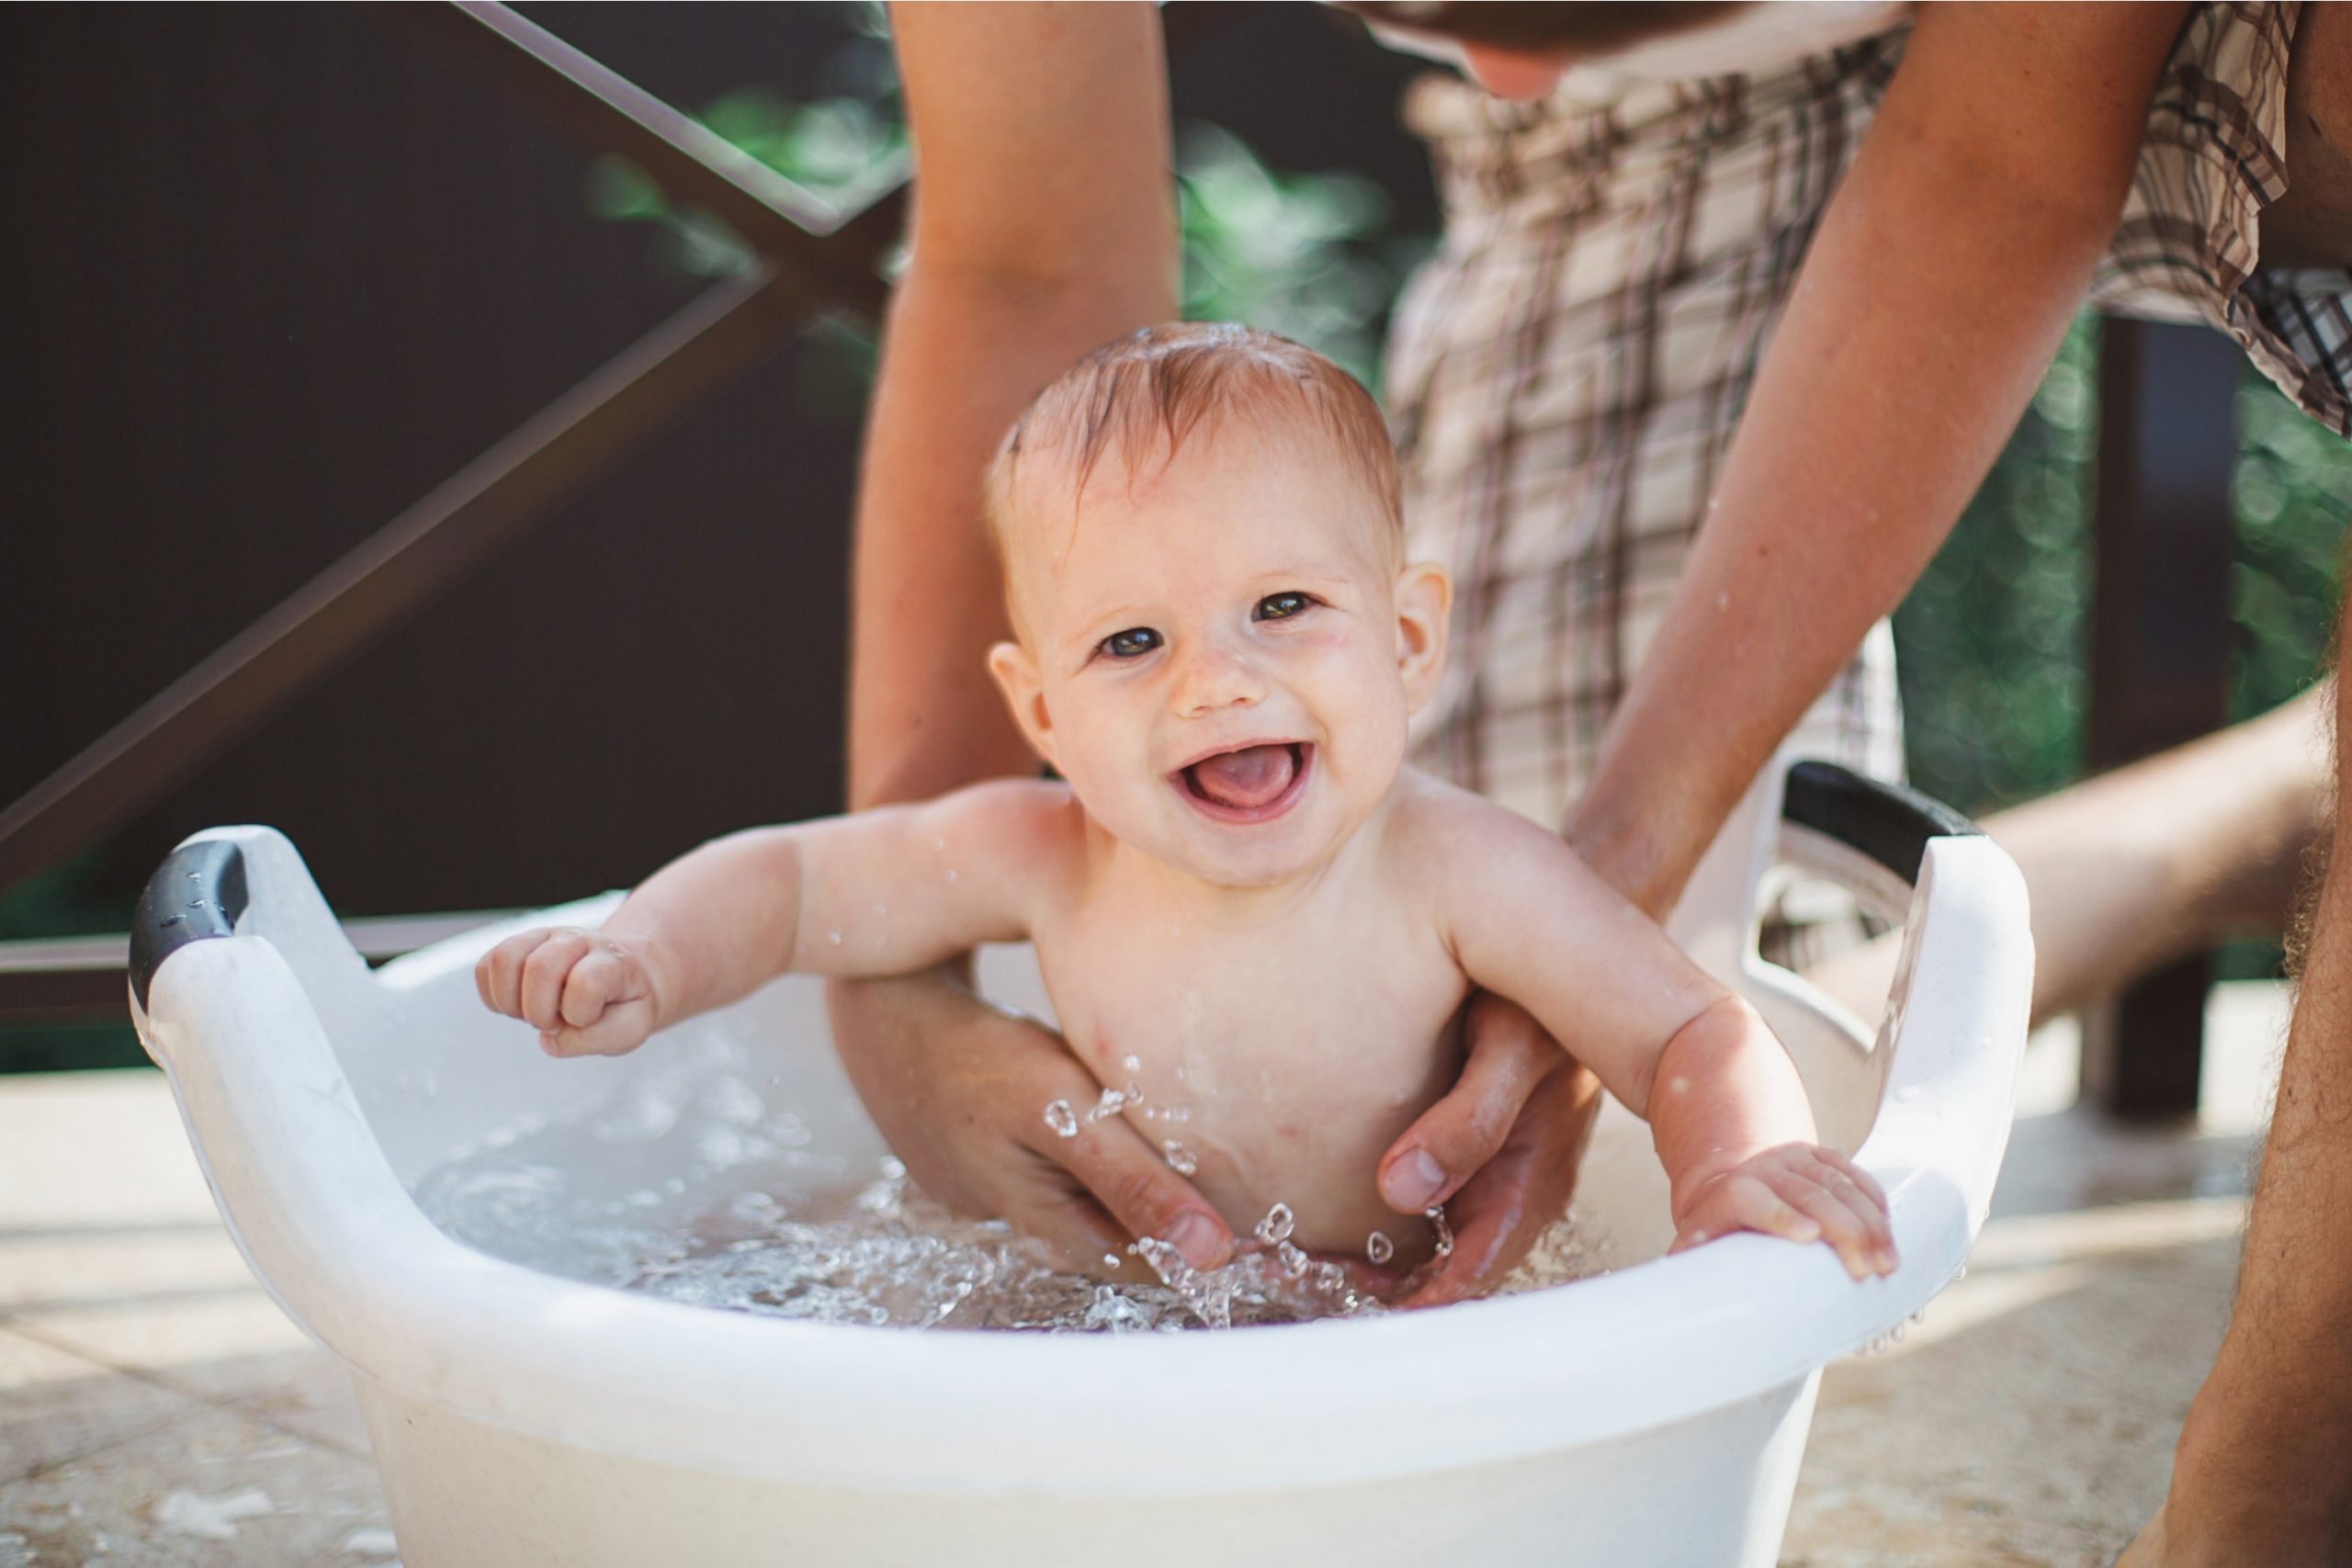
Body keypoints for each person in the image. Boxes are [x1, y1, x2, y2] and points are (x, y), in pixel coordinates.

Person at [842, 6, 2352, 1560]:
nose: (1485, 66)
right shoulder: (1534, 67)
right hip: (1636, 131)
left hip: (2101, 57)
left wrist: (1595, 935)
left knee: (1587, 969)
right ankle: (2263, 807)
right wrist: (896, 1002)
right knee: (1443, 1039)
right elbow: (1026, 256)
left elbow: (1995, 160)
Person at [474, 323, 1896, 1285]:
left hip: (1418, 1329)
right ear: (1042, 714)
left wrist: (1741, 1167)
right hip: (1118, 1304)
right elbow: (790, 887)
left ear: (1408, 643)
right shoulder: (1046, 855)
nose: (1217, 682)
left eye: (1284, 606)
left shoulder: (1461, 874)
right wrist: (643, 955)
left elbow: (1693, 1031)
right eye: (1131, 643)